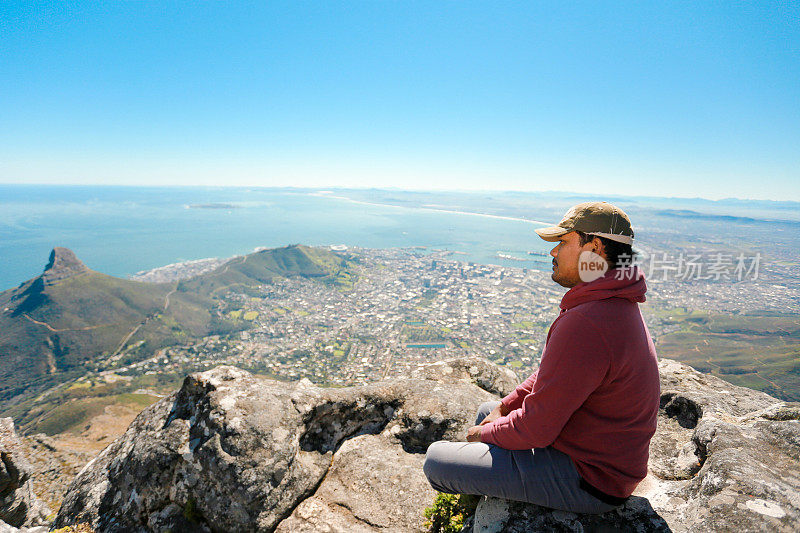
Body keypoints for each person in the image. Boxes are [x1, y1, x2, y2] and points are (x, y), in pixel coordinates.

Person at [423, 201, 660, 514]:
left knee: (437, 461)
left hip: (592, 479)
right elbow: (554, 376)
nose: (553, 253)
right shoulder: (614, 303)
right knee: (488, 410)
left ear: (595, 247)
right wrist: (506, 405)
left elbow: (537, 429)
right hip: (600, 454)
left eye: (562, 242)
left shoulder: (588, 321)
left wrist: (484, 434)